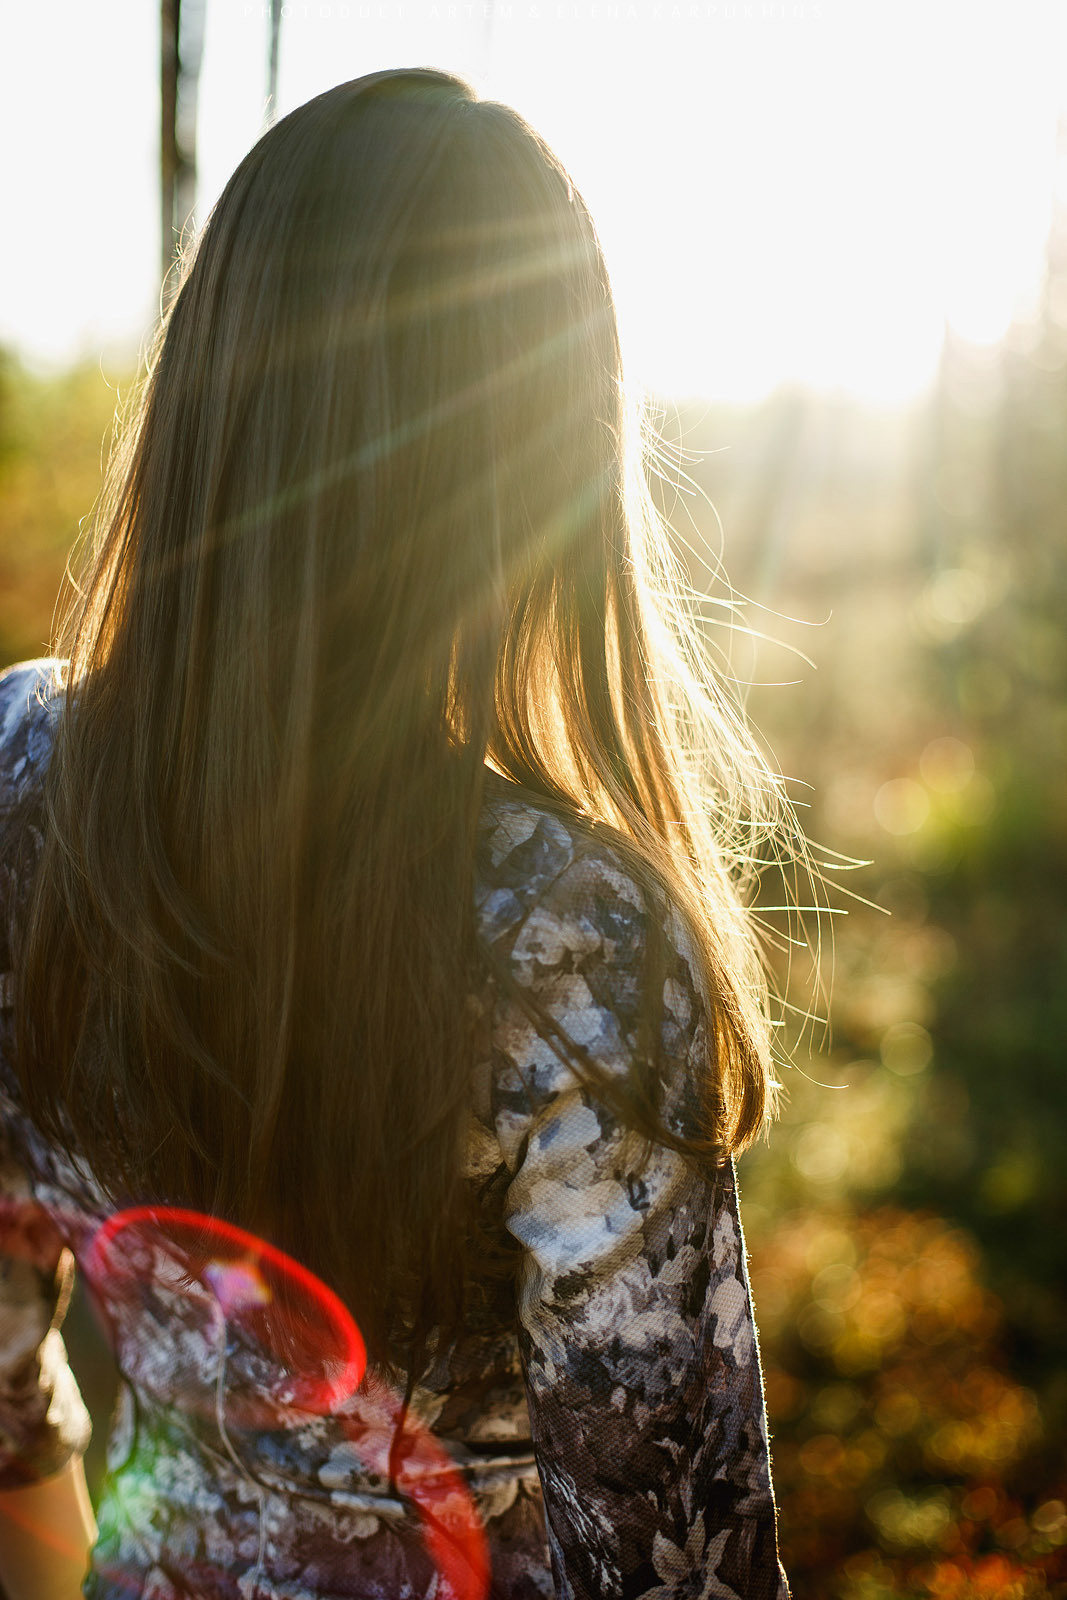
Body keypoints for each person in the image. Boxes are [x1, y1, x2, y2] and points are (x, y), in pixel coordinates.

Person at [0, 67, 798, 1599]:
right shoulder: (570, 948)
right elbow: (674, 1570)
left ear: (211, 395)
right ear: (537, 470)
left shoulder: (20, 781)